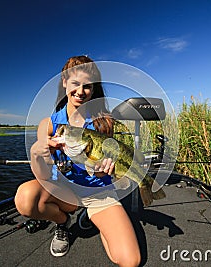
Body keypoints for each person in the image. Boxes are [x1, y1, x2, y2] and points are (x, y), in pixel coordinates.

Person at [15, 56, 141, 267]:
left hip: (99, 194)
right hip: (64, 192)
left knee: (131, 261)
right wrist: (37, 154)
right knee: (25, 198)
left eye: (87, 86)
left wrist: (104, 172)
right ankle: (63, 222)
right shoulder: (48, 125)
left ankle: (98, 221)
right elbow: (44, 177)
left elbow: (109, 169)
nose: (80, 91)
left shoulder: (105, 123)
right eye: (75, 83)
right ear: (64, 82)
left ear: (94, 89)